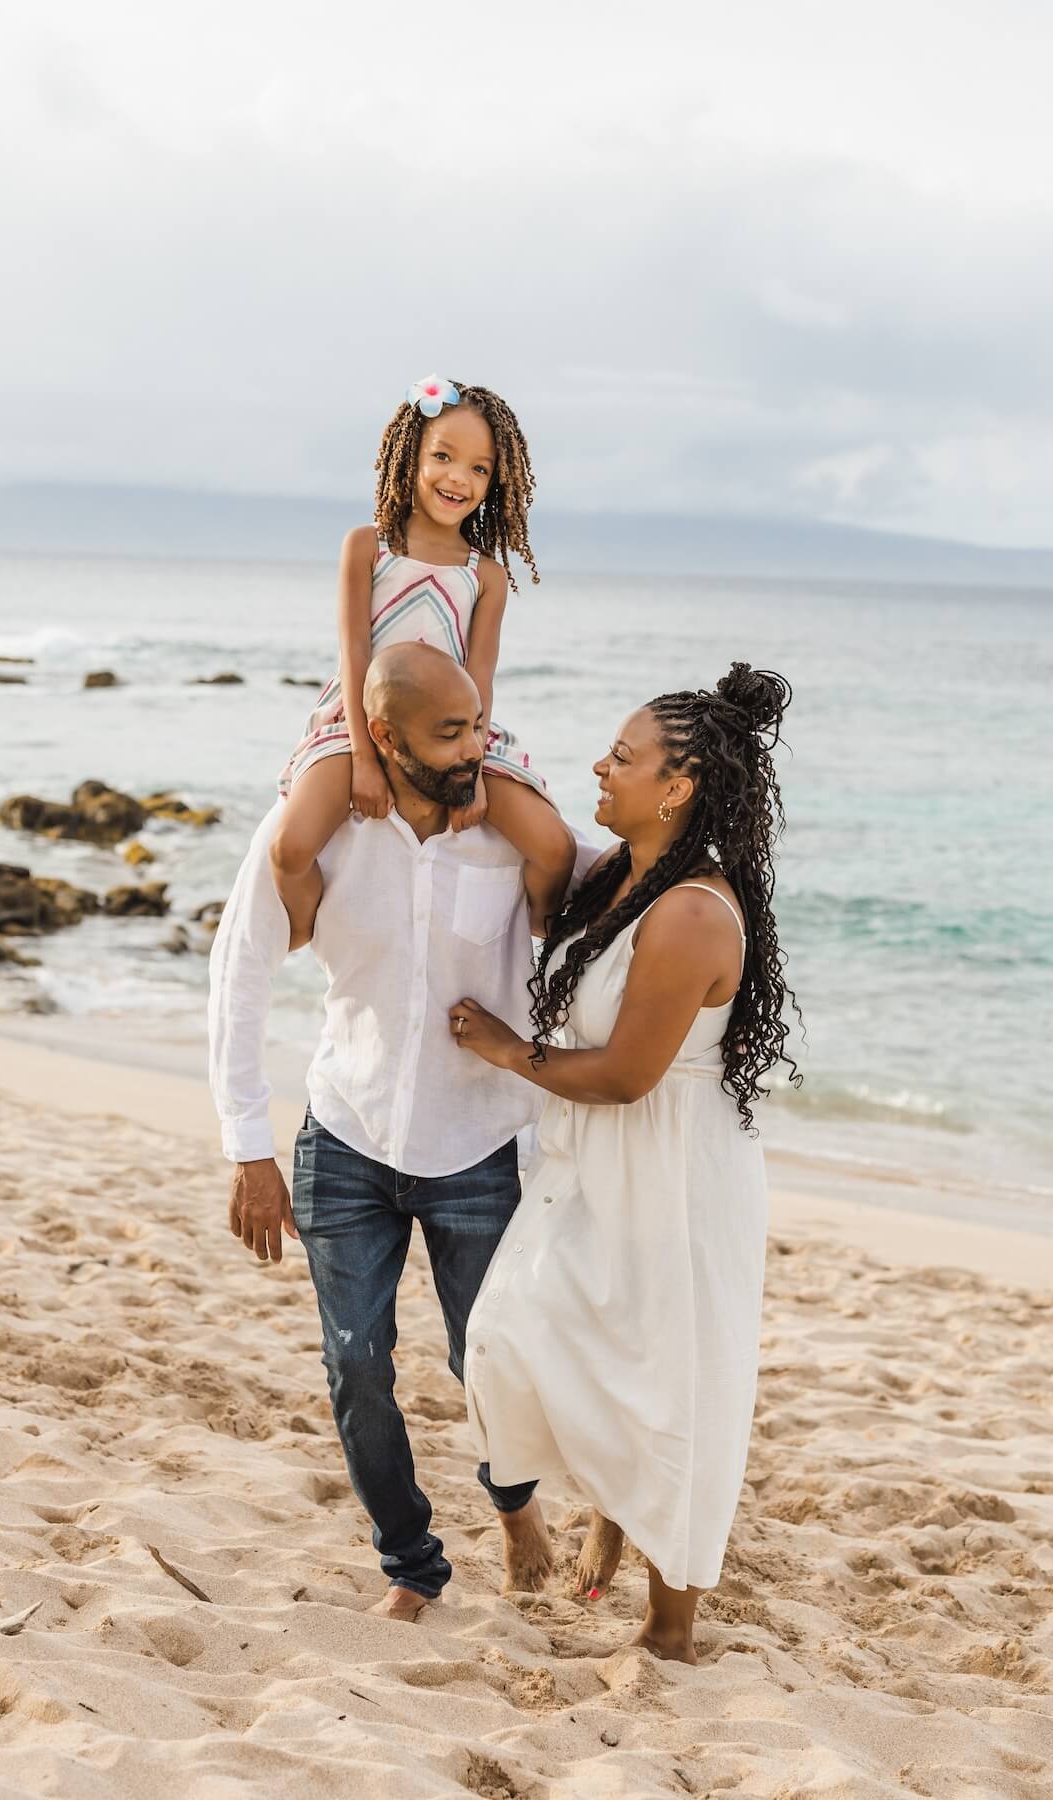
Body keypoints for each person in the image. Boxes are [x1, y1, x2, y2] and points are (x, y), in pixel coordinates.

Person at [209, 641, 582, 1620]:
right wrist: (248, 1148)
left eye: (478, 726)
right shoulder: (317, 831)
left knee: (486, 1362)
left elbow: (614, 904)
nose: (474, 749)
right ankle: (411, 1567)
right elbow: (240, 966)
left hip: (481, 1145)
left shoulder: (508, 827)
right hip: (348, 1134)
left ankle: (515, 1507)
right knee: (356, 1367)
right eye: (451, 733)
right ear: (384, 734)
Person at [445, 662, 801, 1665]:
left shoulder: (690, 913)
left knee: (671, 1380)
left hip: (672, 1170)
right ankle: (610, 1503)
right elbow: (524, 812)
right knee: (510, 1338)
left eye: (623, 757)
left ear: (677, 786)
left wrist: (508, 1050)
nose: (601, 767)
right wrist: (450, 739)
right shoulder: (618, 875)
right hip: (588, 1160)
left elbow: (628, 1075)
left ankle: (669, 1631)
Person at [268, 373, 570, 947]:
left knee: (554, 846)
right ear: (411, 457)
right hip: (361, 721)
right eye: (443, 456)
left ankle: (540, 943)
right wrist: (364, 758)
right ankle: (306, 930)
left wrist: (472, 771)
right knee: (290, 848)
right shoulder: (367, 546)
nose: (459, 478)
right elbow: (354, 653)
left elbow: (479, 679)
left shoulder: (486, 576)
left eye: (479, 468)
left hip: (457, 732)